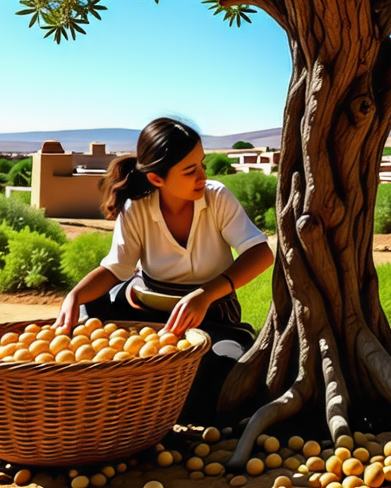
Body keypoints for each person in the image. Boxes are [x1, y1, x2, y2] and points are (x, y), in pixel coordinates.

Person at [55, 117, 274, 421]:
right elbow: (115, 269)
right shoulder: (137, 208)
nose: (202, 176)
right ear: (157, 179)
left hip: (210, 313)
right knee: (89, 311)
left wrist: (205, 294)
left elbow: (260, 253)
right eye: (189, 171)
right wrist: (74, 296)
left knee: (219, 371)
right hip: (147, 310)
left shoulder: (217, 198)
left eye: (202, 165)